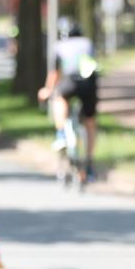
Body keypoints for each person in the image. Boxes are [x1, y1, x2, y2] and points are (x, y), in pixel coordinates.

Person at [37, 20, 99, 178]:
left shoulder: (59, 46)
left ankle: (61, 134)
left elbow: (55, 73)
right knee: (90, 122)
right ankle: (90, 163)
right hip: (89, 82)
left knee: (59, 98)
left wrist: (47, 90)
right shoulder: (88, 43)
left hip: (70, 81)